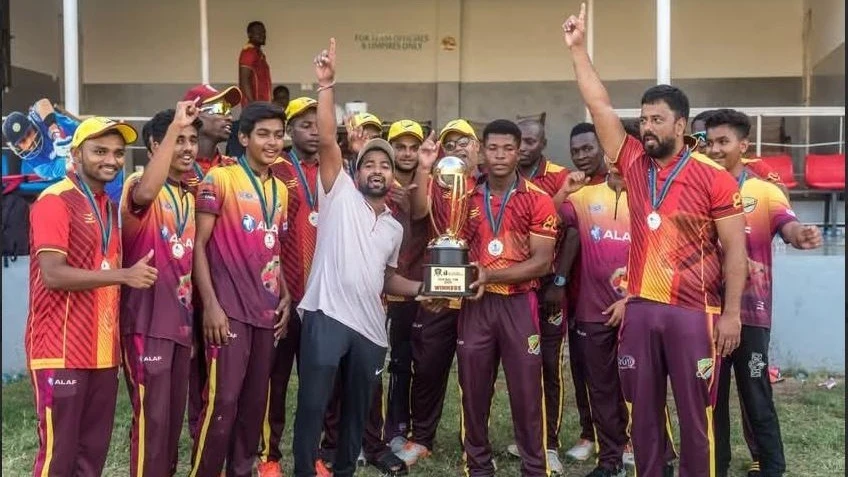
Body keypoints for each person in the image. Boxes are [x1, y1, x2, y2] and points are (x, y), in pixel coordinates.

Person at [563, 4, 749, 476]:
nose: (647, 127)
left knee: (696, 417)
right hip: (642, 308)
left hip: (695, 313)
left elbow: (736, 254)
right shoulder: (629, 162)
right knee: (641, 415)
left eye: (657, 120)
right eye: (644, 119)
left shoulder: (714, 178)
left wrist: (730, 315)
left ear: (680, 125)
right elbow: (600, 105)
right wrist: (579, 52)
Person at [292, 38, 428, 477]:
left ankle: (347, 469)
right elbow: (329, 139)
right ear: (357, 170)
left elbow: (386, 280)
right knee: (313, 405)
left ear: (391, 177)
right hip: (326, 317)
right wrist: (327, 85)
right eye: (369, 163)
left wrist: (427, 288)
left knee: (357, 413)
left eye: (384, 166)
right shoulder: (338, 195)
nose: (376, 170)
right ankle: (304, 471)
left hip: (371, 328)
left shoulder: (393, 225)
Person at [26, 116, 157, 476]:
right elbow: (53, 274)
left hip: (101, 352)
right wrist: (123, 275)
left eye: (117, 153)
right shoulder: (54, 200)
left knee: (91, 455)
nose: (111, 160)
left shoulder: (107, 206)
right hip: (59, 349)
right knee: (59, 454)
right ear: (76, 153)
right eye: (100, 151)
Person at [705, 109, 822, 477]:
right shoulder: (697, 191)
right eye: (709, 142)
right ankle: (715, 467)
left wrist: (799, 234)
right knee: (712, 401)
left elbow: (787, 225)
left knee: (756, 396)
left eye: (723, 142)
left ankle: (772, 468)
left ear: (744, 145)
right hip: (705, 313)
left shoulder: (764, 191)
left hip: (751, 315)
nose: (714, 149)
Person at [189, 101, 291, 477]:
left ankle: (242, 470)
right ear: (244, 137)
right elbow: (198, 246)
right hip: (228, 311)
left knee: (253, 404)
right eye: (263, 134)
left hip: (266, 312)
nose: (272, 142)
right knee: (222, 401)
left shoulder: (280, 190)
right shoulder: (220, 180)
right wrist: (211, 306)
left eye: (278, 135)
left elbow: (271, 248)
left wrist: (285, 294)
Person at [454, 119, 558, 477]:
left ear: (520, 151)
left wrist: (490, 274)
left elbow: (542, 263)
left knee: (527, 392)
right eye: (493, 148)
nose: (499, 155)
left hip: (518, 304)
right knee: (473, 389)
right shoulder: (463, 196)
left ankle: (534, 467)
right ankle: (478, 467)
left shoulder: (538, 199)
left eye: (507, 148)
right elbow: (452, 247)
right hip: (476, 306)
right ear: (482, 151)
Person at [394, 118, 483, 467]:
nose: (459, 146)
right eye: (451, 142)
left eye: (466, 140)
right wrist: (425, 167)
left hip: (478, 293)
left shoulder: (489, 186)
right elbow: (417, 213)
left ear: (477, 147)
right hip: (440, 291)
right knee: (428, 365)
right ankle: (421, 437)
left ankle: (474, 439)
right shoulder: (433, 184)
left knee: (477, 371)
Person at [121, 102, 202, 477]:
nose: (187, 147)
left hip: (180, 326)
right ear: (155, 146)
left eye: (192, 139)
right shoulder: (138, 184)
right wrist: (173, 131)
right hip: (146, 323)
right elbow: (145, 194)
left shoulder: (188, 194)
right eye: (176, 139)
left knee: (170, 423)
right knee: (152, 422)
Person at [559, 124, 630, 477]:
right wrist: (563, 192)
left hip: (639, 309)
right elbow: (545, 221)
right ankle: (610, 459)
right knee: (600, 387)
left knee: (640, 385)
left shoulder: (651, 198)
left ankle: (653, 451)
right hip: (592, 311)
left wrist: (632, 299)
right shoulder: (584, 196)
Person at [257, 96, 321, 477]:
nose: (313, 131)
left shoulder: (336, 169)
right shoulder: (275, 170)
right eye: (304, 125)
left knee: (319, 383)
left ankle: (310, 453)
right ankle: (268, 455)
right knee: (275, 380)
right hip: (282, 293)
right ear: (290, 132)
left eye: (319, 124)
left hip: (322, 298)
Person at [504, 117, 569, 473]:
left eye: (531, 141)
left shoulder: (559, 177)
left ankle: (551, 443)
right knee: (518, 367)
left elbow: (570, 231)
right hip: (509, 287)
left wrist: (558, 281)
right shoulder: (497, 178)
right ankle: (524, 437)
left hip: (547, 288)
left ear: (542, 144)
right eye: (520, 141)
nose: (525, 147)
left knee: (547, 362)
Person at [361, 119, 428, 469]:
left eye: (411, 146)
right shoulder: (373, 181)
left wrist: (412, 193)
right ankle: (358, 435)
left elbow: (419, 216)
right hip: (374, 291)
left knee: (403, 362)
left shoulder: (421, 181)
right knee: (371, 366)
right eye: (399, 146)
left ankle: (396, 429)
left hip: (408, 286)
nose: (406, 152)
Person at [181, 83, 242, 443]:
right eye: (218, 109)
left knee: (226, 372)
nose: (228, 117)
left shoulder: (234, 169)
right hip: (184, 287)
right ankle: (199, 440)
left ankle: (223, 439)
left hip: (226, 287)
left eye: (229, 110)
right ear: (195, 114)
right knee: (193, 370)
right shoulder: (174, 169)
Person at [239, 21, 272, 106]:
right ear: (250, 34)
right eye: (258, 33)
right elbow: (244, 80)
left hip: (263, 104)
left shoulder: (258, 53)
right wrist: (252, 103)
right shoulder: (249, 52)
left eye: (263, 32)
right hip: (255, 106)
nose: (262, 35)